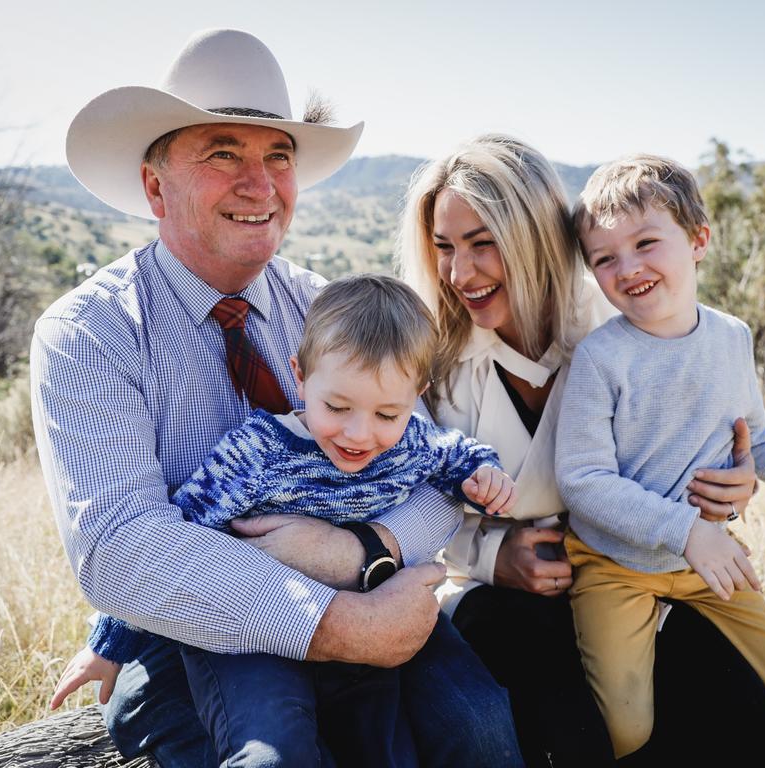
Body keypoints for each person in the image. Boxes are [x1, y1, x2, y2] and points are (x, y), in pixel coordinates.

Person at [32, 29, 521, 767]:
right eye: (224, 153)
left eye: (278, 156)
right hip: (208, 632)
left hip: (374, 586)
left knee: (479, 726)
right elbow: (122, 547)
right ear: (155, 185)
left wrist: (359, 552)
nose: (260, 184)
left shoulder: (328, 310)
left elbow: (424, 469)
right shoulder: (90, 334)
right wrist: (337, 622)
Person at [397, 133, 765, 768]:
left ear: (533, 238)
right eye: (443, 248)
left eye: (482, 244)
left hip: (632, 566)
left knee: (740, 699)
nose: (458, 274)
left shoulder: (616, 322)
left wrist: (734, 479)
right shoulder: (431, 362)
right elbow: (410, 510)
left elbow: (697, 431)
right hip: (502, 601)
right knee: (580, 719)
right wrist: (498, 555)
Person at [50, 274, 516, 766]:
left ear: (415, 394)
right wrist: (111, 642)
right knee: (270, 750)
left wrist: (483, 478)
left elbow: (455, 455)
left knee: (393, 743)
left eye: (386, 414)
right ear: (300, 376)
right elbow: (179, 535)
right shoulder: (257, 453)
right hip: (246, 626)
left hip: (365, 606)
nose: (360, 433)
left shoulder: (410, 439)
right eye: (336, 407)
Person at [555, 153, 765, 758]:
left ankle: (675, 634)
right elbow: (583, 479)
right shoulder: (601, 359)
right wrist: (686, 531)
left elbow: (756, 437)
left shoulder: (731, 337)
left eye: (647, 242)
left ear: (698, 239)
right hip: (614, 563)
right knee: (625, 732)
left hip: (710, 565)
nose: (628, 268)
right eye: (604, 258)